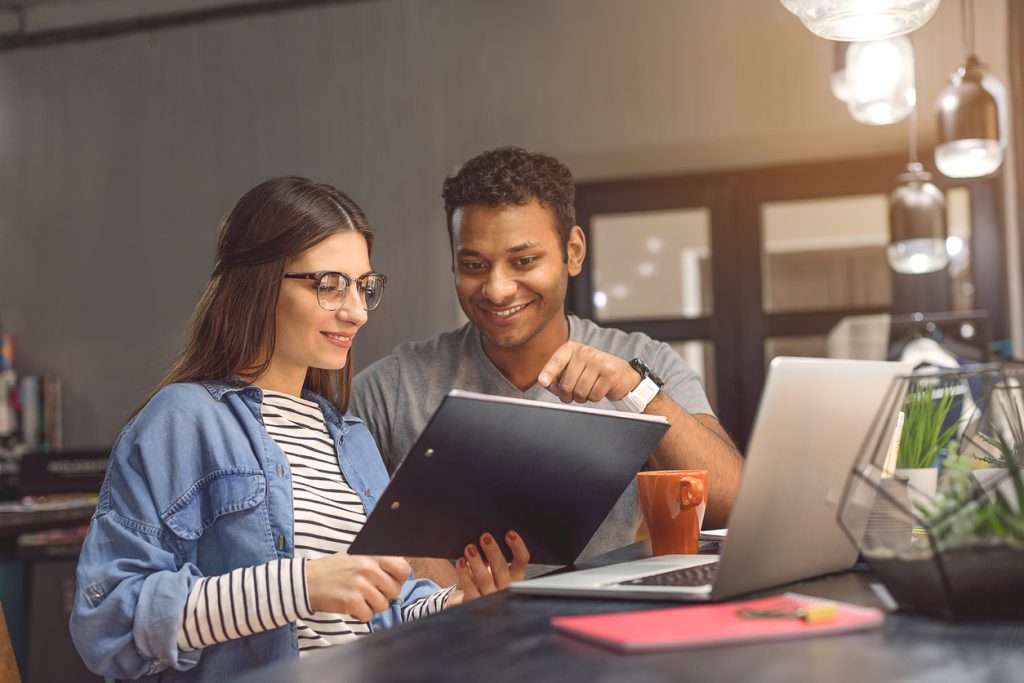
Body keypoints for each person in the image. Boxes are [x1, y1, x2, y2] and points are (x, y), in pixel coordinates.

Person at [70, 177, 529, 683]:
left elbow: (383, 609)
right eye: (329, 285)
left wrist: (457, 605)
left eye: (364, 286)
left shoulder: (350, 437)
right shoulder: (182, 419)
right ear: (262, 282)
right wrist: (301, 585)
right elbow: (109, 622)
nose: (355, 311)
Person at [351, 147, 743, 584]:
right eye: (474, 265)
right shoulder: (391, 388)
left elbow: (734, 504)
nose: (497, 290)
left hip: (602, 629)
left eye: (523, 261)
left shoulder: (642, 362)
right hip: (451, 638)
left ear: (572, 252)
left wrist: (636, 390)